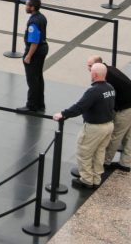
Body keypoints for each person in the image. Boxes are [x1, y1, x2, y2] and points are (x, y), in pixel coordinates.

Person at [53, 62, 116, 190]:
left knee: (84, 152)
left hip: (95, 128)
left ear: (94, 74)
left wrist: (63, 114)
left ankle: (87, 180)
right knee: (99, 152)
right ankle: (96, 178)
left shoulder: (94, 91)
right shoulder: (110, 88)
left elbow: (79, 107)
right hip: (108, 125)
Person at [89, 55, 131, 172]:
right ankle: (125, 163)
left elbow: (108, 97)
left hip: (127, 108)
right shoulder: (111, 69)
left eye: (90, 66)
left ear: (98, 65)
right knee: (130, 135)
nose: (89, 69)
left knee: (115, 135)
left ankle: (105, 162)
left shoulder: (108, 78)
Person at [18, 0, 49, 114]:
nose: (26, 7)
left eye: (27, 5)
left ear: (33, 7)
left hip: (35, 51)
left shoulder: (33, 21)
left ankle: (31, 105)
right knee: (39, 77)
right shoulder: (42, 17)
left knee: (32, 80)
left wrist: (28, 56)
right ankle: (40, 104)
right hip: (43, 48)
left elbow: (34, 41)